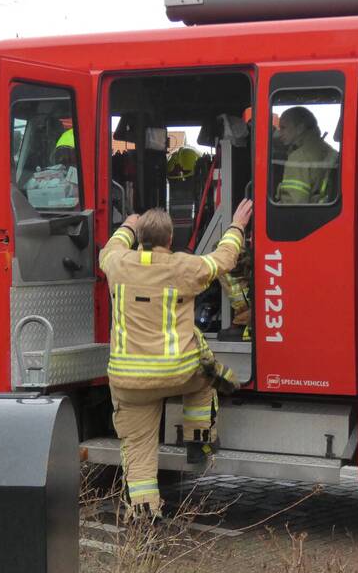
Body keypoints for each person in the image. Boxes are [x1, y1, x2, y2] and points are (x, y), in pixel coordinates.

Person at [99, 198, 253, 518]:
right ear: (170, 240)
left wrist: (128, 224)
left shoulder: (116, 262)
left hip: (129, 382)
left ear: (139, 238)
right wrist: (237, 224)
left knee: (139, 452)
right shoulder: (183, 266)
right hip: (176, 372)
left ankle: (144, 516)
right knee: (206, 375)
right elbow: (222, 259)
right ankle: (197, 439)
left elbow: (111, 245)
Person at [274, 106, 338, 204]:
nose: (279, 133)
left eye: (283, 127)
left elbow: (293, 205)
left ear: (300, 128)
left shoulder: (298, 158)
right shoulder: (327, 150)